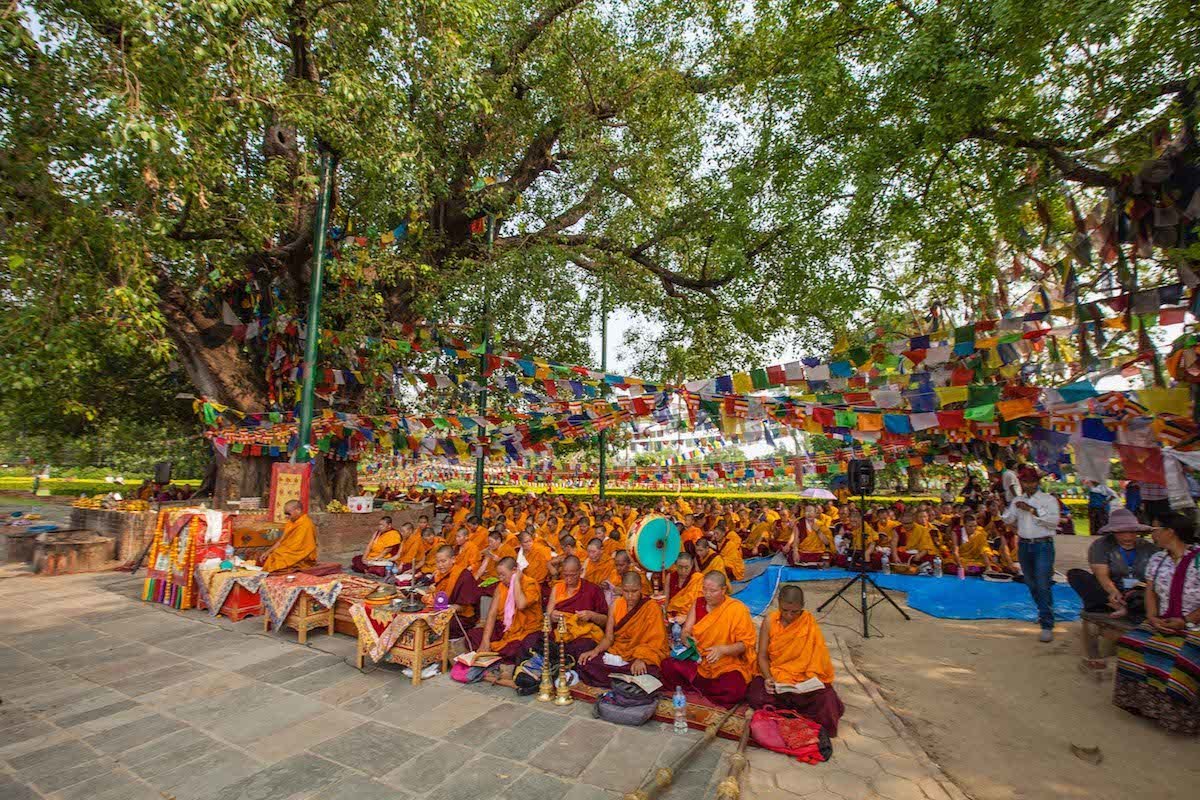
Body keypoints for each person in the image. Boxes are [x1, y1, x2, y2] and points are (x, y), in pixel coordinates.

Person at [1112, 513, 1200, 734]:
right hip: (1164, 619)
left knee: (1180, 654)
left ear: (1170, 531)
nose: (1153, 534)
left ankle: (1180, 717)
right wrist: (1152, 617)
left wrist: (1185, 621)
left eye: (1155, 530)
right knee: (1131, 642)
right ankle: (1145, 705)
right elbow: (1150, 591)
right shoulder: (1158, 559)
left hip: (1193, 622)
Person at [746, 585, 845, 736]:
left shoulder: (808, 624)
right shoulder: (770, 621)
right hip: (778, 677)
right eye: (785, 610)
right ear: (778, 604)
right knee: (755, 694)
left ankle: (788, 713)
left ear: (802, 608)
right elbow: (763, 656)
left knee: (826, 699)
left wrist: (807, 682)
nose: (789, 616)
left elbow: (818, 661)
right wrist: (768, 679)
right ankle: (799, 714)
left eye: (795, 612)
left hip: (803, 681)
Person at [659, 570, 757, 707]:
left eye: (712, 591)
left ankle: (696, 687)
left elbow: (745, 644)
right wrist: (687, 639)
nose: (707, 594)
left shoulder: (737, 609)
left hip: (726, 663)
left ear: (723, 590)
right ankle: (702, 688)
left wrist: (723, 650)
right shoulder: (698, 603)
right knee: (667, 666)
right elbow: (686, 630)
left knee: (734, 688)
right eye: (704, 589)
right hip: (699, 661)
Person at [577, 571, 670, 687]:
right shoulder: (615, 605)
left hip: (640, 654)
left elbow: (657, 641)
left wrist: (642, 659)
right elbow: (609, 638)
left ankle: (621, 679)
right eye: (626, 591)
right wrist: (595, 651)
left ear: (641, 588)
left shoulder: (651, 607)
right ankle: (627, 680)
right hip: (618, 653)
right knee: (588, 663)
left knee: (650, 671)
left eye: (634, 591)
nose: (630, 596)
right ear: (621, 589)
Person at [1002, 465, 1061, 641]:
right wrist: (1004, 511)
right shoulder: (1017, 500)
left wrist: (1032, 509)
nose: (1028, 485)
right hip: (1025, 546)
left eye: (1031, 481)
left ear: (1037, 482)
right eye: (1025, 482)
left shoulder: (1048, 499)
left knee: (1043, 583)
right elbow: (1008, 519)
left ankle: (1047, 623)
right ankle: (1043, 611)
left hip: (1043, 545)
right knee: (1031, 583)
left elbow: (1053, 522)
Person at [1068, 508, 1158, 621]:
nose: (1128, 537)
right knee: (1076, 575)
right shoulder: (1100, 545)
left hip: (1139, 592)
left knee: (1150, 596)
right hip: (1110, 589)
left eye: (1132, 532)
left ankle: (1129, 607)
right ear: (1113, 532)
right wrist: (1113, 592)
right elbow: (1102, 575)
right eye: (1122, 532)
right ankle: (1117, 606)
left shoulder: (1149, 548)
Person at [469, 557, 544, 663]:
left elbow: (521, 604)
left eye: (503, 574)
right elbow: (492, 614)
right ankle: (494, 654)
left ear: (514, 570)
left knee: (518, 648)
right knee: (474, 634)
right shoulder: (501, 587)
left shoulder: (529, 584)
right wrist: (485, 641)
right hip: (506, 630)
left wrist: (516, 581)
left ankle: (494, 656)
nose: (501, 578)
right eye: (499, 575)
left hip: (527, 631)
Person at [262, 500, 318, 573]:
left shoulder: (306, 525)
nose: (287, 516)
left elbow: (299, 547)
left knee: (278, 557)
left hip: (301, 556)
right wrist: (268, 551)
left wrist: (281, 552)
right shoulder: (290, 522)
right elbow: (282, 540)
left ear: (298, 510)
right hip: (291, 552)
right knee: (274, 556)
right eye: (285, 514)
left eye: (288, 514)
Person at [432, 544, 483, 624]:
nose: (440, 565)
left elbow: (463, 607)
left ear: (453, 559)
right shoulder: (440, 574)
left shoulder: (464, 576)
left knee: (437, 624)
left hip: (462, 616)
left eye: (443, 561)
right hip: (444, 610)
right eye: (438, 562)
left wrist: (444, 608)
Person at [667, 552, 704, 620]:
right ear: (675, 565)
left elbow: (700, 604)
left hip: (690, 617)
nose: (683, 571)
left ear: (692, 565)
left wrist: (686, 618)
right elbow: (666, 600)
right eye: (680, 567)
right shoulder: (670, 577)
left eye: (686, 568)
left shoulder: (698, 578)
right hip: (671, 617)